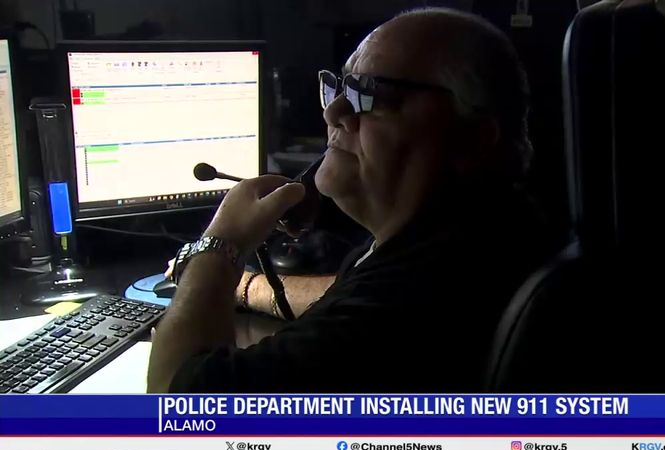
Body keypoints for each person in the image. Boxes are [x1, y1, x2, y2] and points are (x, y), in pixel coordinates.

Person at [147, 7, 560, 395]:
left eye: (371, 94)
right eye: (340, 88)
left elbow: (173, 414)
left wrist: (220, 245)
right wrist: (248, 287)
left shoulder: (417, 300)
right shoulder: (486, 230)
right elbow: (350, 294)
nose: (334, 113)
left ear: (472, 138)